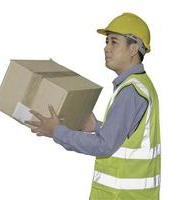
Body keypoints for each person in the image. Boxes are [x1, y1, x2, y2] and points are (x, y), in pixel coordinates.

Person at [25, 12, 161, 200]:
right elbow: (126, 136)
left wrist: (57, 131)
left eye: (114, 42)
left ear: (133, 49)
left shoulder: (130, 91)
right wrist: (97, 126)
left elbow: (104, 146)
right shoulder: (140, 85)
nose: (106, 48)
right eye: (106, 42)